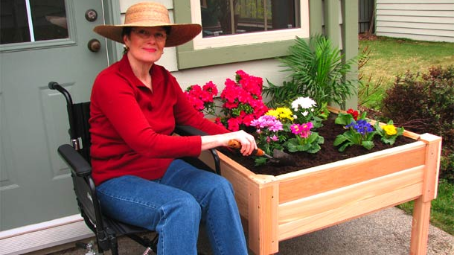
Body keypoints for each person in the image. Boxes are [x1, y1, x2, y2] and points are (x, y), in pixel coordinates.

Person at [91, 2, 254, 255]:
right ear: (126, 39)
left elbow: (193, 120)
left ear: (165, 42)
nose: (151, 40)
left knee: (218, 188)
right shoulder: (111, 82)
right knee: (181, 206)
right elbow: (146, 142)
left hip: (163, 169)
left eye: (159, 34)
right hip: (118, 179)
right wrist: (220, 141)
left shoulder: (163, 78)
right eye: (143, 33)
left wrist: (234, 136)